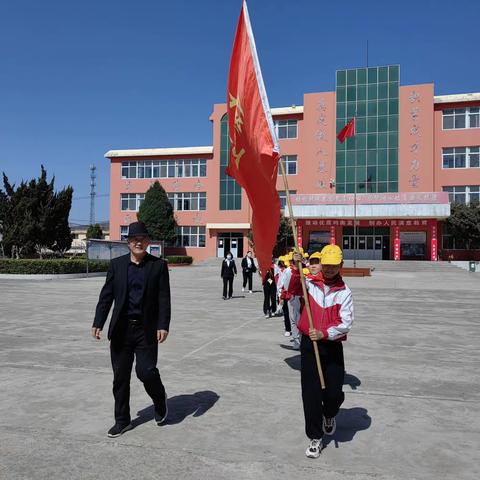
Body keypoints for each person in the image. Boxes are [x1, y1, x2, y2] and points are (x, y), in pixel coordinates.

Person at [91, 221, 171, 438]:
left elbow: (164, 298)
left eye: (142, 239)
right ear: (128, 242)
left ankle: (159, 398)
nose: (138, 242)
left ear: (148, 242)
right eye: (134, 239)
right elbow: (106, 296)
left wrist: (163, 324)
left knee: (145, 372)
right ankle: (122, 421)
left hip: (146, 330)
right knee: (120, 377)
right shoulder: (116, 265)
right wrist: (98, 321)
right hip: (121, 330)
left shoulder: (158, 266)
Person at [293, 245, 354, 459]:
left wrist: (325, 333)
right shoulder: (308, 284)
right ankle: (315, 437)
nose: (328, 269)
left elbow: (346, 323)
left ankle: (329, 414)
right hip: (310, 345)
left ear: (340, 266)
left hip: (331, 344)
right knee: (310, 394)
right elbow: (290, 290)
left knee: (334, 393)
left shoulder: (344, 292)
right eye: (325, 265)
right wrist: (296, 266)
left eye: (333, 266)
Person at [275, 256, 291, 336]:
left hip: (293, 294)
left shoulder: (290, 270)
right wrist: (280, 295)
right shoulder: (281, 271)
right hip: (284, 293)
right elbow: (280, 284)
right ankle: (288, 329)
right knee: (286, 312)